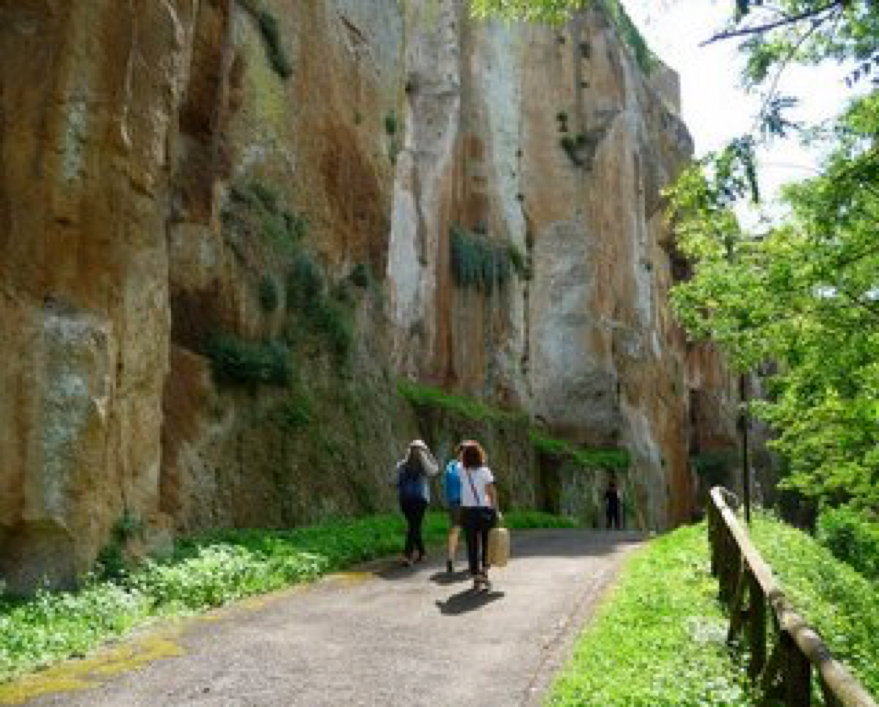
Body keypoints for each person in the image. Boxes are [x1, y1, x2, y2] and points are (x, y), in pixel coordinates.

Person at [459, 440, 499, 590]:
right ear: (480, 455)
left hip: (467, 512)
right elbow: (491, 492)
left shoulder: (461, 471)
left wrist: (464, 450)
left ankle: (475, 575)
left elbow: (458, 461)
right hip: (484, 511)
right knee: (487, 543)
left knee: (472, 544)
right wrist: (496, 510)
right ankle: (484, 572)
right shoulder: (485, 471)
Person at [395, 440, 438, 566]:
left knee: (414, 526)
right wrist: (428, 453)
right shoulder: (425, 466)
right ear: (423, 451)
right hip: (419, 499)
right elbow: (435, 470)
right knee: (414, 526)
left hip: (404, 499)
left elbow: (395, 481)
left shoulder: (401, 465)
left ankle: (422, 552)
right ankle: (407, 555)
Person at [442, 443, 465, 573]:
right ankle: (475, 560)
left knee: (455, 530)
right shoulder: (465, 466)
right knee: (472, 532)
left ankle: (450, 559)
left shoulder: (450, 466)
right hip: (466, 502)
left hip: (453, 502)